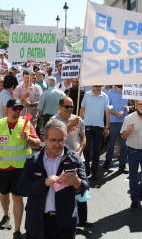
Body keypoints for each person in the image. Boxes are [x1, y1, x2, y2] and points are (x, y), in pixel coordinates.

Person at [18, 119, 89, 239]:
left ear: (65, 137)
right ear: (45, 139)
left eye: (61, 140)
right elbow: (22, 188)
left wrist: (78, 183)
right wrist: (43, 183)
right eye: (53, 140)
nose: (58, 144)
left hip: (65, 223)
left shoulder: (74, 159)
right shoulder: (34, 161)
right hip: (37, 222)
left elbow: (85, 186)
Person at [0, 98, 41, 239]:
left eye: (20, 109)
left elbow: (38, 144)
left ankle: (17, 230)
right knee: (4, 195)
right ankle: (6, 215)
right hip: (2, 168)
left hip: (20, 168)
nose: (18, 111)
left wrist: (28, 139)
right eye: (15, 108)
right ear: (7, 109)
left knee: (17, 196)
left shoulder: (26, 124)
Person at [50, 96, 93, 228]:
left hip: (77, 158)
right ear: (60, 107)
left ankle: (82, 219)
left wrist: (79, 151)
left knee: (81, 187)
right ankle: (63, 218)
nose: (70, 109)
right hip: (61, 159)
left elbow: (83, 138)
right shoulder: (54, 120)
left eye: (72, 107)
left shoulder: (78, 120)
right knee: (63, 189)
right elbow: (59, 136)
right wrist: (70, 125)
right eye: (67, 107)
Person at [80, 85, 110, 180]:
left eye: (99, 86)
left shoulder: (105, 96)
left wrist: (107, 127)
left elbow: (107, 112)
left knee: (97, 150)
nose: (98, 88)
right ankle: (87, 168)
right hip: (87, 126)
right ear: (92, 86)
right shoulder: (87, 95)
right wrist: (81, 123)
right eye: (96, 86)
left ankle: (94, 171)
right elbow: (82, 109)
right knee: (87, 148)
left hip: (99, 127)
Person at [103, 85, 130, 173]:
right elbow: (106, 108)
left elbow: (133, 104)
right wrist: (115, 112)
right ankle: (108, 160)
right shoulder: (110, 92)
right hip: (114, 121)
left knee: (124, 144)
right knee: (112, 142)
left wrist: (129, 107)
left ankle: (122, 164)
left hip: (125, 121)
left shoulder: (127, 91)